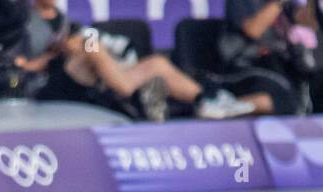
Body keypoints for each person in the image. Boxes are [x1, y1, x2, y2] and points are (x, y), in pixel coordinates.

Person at [16, 0, 259, 120]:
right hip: (48, 81)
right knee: (91, 45)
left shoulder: (62, 19)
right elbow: (19, 66)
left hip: (86, 75)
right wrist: (54, 54)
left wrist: (70, 46)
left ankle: (206, 101)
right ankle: (132, 95)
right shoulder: (23, 20)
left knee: (156, 64)